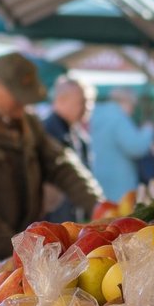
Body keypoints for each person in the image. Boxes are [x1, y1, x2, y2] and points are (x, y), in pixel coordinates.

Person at [0, 53, 102, 287]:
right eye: (16, 96)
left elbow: (61, 164)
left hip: (18, 254)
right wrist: (20, 247)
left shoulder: (28, 124)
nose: (23, 103)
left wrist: (96, 204)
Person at [41, 75, 94, 223]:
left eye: (90, 101)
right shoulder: (46, 133)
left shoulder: (77, 134)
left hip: (71, 218)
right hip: (54, 222)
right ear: (61, 100)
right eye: (82, 101)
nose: (87, 107)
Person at [88, 88, 154, 202]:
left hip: (98, 176)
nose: (132, 111)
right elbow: (136, 148)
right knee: (119, 217)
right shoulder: (118, 117)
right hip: (119, 183)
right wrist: (148, 131)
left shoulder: (96, 114)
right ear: (125, 101)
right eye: (132, 106)